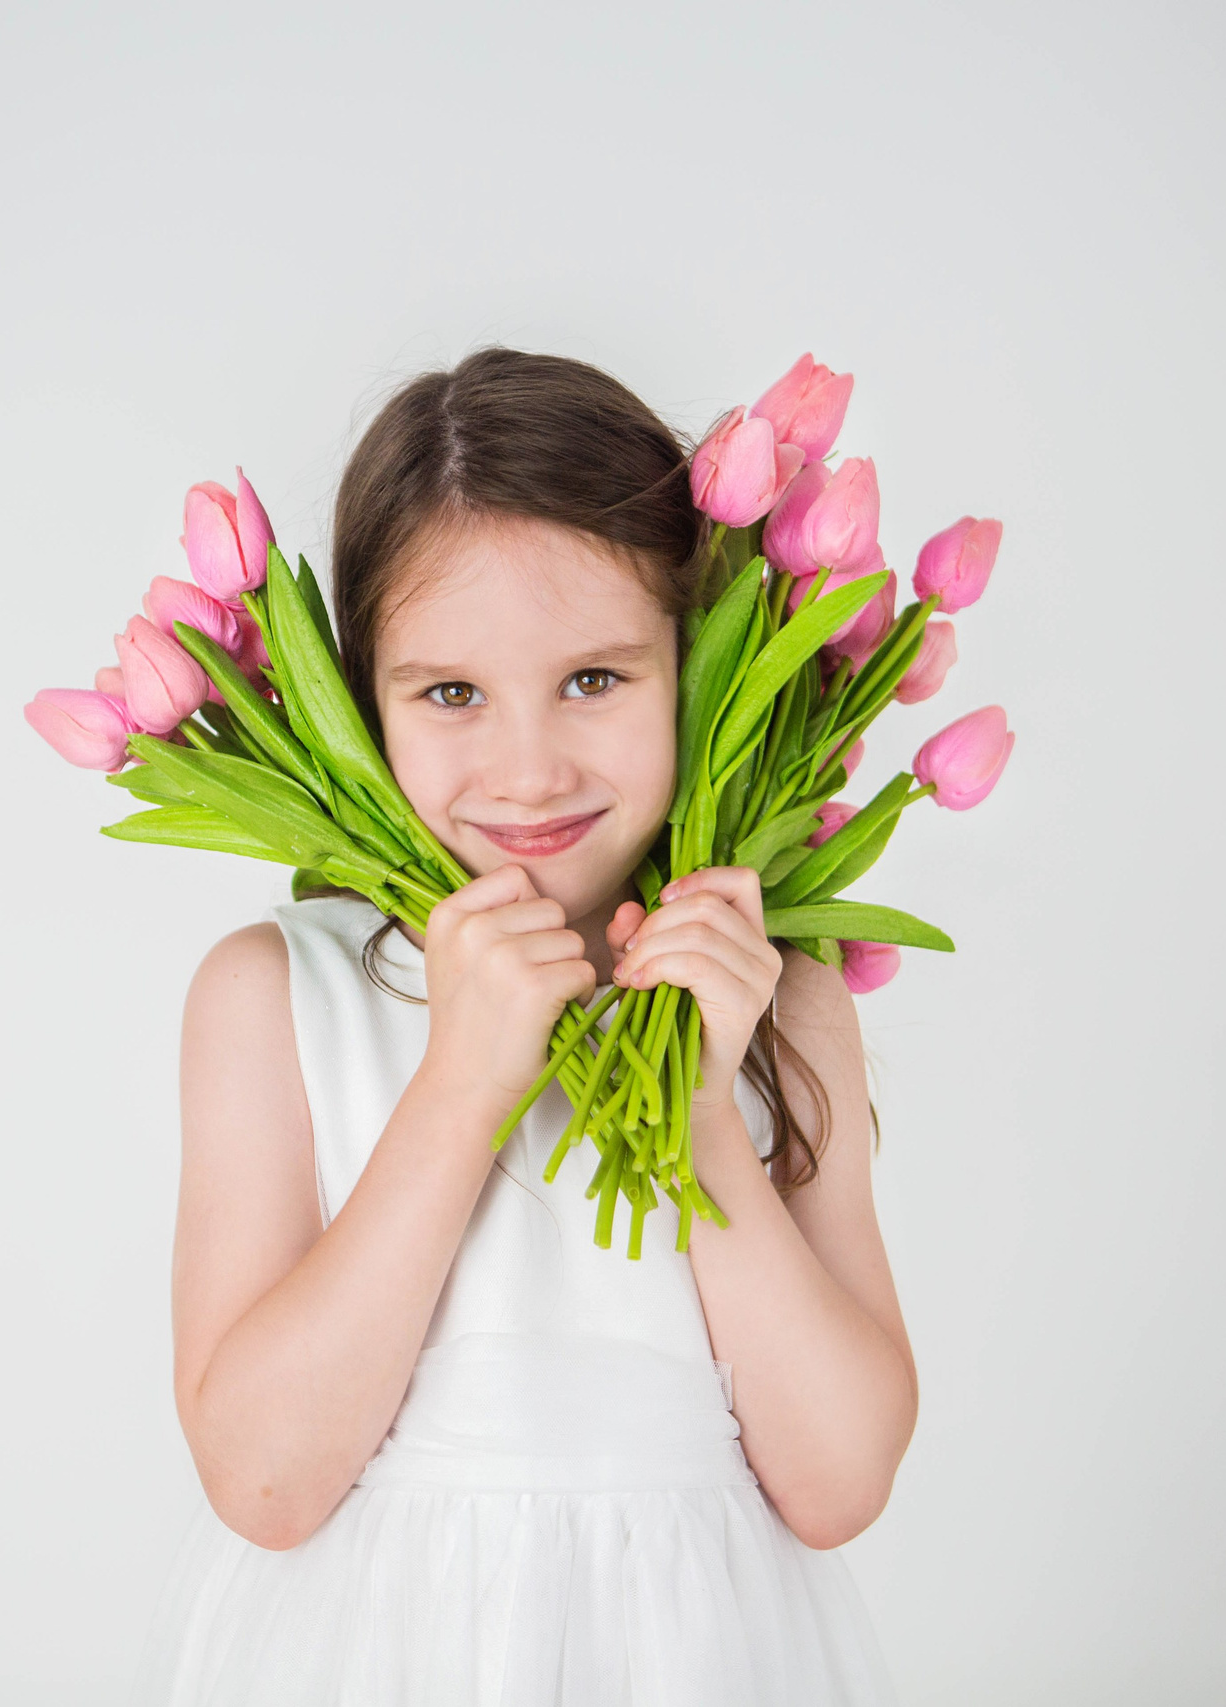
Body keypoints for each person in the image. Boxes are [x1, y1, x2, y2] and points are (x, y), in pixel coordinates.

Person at [135, 348, 914, 1705]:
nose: (529, 766)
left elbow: (840, 1480)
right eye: (450, 694)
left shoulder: (779, 999)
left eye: (596, 680)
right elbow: (263, 1479)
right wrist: (460, 1081)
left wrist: (704, 1121)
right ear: (361, 703)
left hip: (696, 1660)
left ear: (703, 670)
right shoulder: (278, 995)